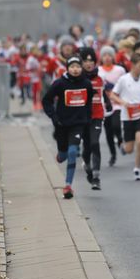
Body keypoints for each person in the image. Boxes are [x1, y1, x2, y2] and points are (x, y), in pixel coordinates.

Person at [42, 55, 94, 199]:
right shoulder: (60, 83)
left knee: (72, 152)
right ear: (67, 68)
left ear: (81, 68)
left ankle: (68, 186)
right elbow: (46, 100)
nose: (75, 69)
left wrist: (87, 117)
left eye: (78, 66)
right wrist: (53, 116)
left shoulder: (87, 83)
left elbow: (89, 101)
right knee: (63, 155)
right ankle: (60, 155)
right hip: (62, 124)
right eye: (72, 67)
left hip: (78, 124)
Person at [109, 53, 140, 181]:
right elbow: (112, 95)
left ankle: (137, 169)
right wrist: (122, 102)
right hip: (127, 116)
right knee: (129, 149)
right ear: (133, 65)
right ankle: (123, 147)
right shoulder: (124, 79)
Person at [80, 47, 108, 190]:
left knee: (95, 143)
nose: (88, 63)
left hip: (97, 116)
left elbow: (104, 94)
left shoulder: (99, 79)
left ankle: (96, 177)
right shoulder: (78, 78)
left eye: (91, 61)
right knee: (86, 148)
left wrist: (108, 104)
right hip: (82, 118)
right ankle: (88, 167)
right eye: (85, 60)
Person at [98, 45, 126, 166]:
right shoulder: (98, 71)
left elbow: (125, 85)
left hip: (118, 103)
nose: (107, 57)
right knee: (108, 131)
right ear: (101, 57)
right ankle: (113, 154)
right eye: (105, 55)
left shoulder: (120, 70)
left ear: (113, 57)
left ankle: (120, 140)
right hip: (105, 105)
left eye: (110, 55)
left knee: (116, 125)